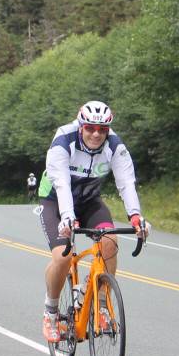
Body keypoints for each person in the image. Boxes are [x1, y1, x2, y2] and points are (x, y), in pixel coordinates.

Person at [37, 100, 149, 343]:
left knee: (109, 241)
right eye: (90, 128)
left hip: (89, 201)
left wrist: (136, 216)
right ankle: (51, 312)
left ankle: (100, 303)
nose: (96, 134)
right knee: (63, 257)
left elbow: (126, 182)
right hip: (55, 201)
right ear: (80, 126)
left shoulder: (115, 145)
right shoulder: (63, 142)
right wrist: (68, 217)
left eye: (102, 130)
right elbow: (62, 184)